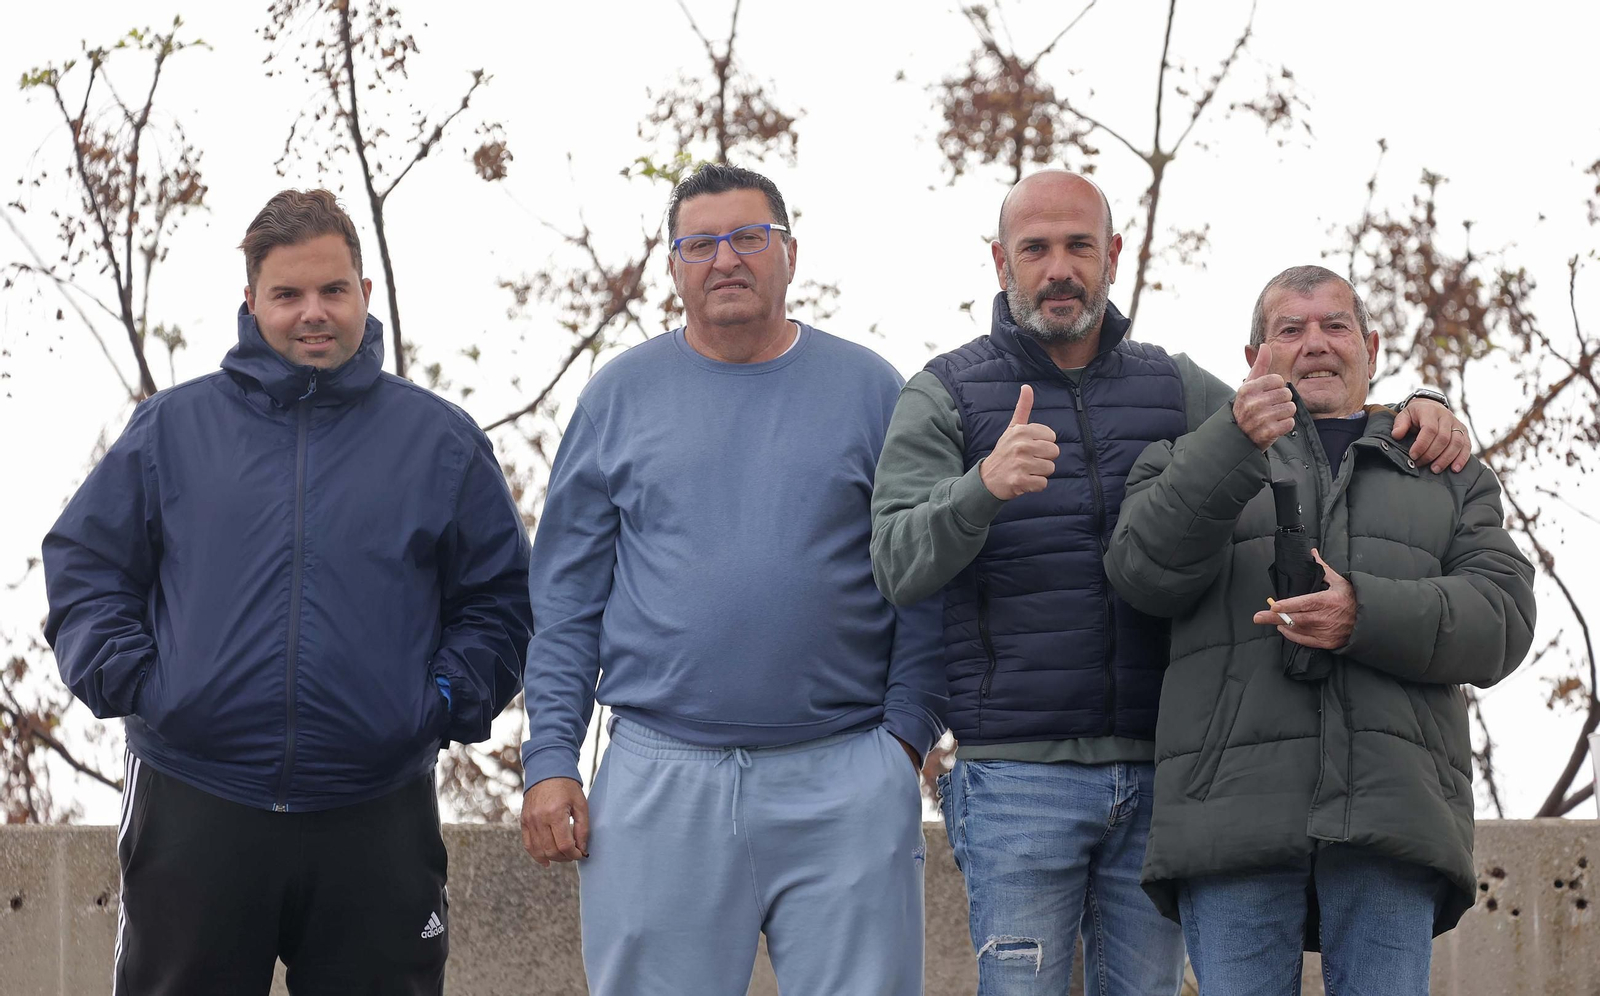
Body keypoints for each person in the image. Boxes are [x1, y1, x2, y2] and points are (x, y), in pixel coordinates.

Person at [870, 172, 1471, 995]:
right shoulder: (943, 389)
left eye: (1079, 245)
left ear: (1113, 255)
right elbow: (897, 563)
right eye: (1034, 248)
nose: (1058, 268)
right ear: (1000, 263)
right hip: (1016, 775)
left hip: (1163, 775)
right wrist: (983, 488)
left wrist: (1424, 407)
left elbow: (1310, 427)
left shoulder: (1175, 385)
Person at [44, 189, 533, 996]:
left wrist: (442, 697)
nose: (314, 313)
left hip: (375, 812)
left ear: (363, 295)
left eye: (333, 290)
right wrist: (141, 684)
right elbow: (86, 567)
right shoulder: (171, 430)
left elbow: (500, 599)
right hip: (196, 801)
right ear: (252, 302)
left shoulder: (439, 441)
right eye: (288, 294)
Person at [518, 162, 945, 996]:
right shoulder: (617, 396)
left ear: (790, 253)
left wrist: (905, 741)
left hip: (846, 774)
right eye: (700, 243)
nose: (726, 259)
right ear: (674, 266)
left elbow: (924, 580)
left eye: (749, 237)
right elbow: (566, 601)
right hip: (658, 775)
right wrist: (550, 759)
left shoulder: (874, 391)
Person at [1104, 264, 1537, 995]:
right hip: (1229, 818)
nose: (1316, 344)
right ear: (1253, 361)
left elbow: (1505, 616)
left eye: (1335, 326)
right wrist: (1230, 443)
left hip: (1393, 816)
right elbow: (1141, 572)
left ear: (1370, 346)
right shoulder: (1187, 459)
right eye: (1290, 330)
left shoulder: (1446, 468)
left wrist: (1364, 614)